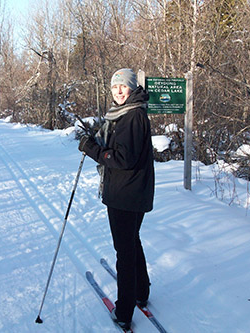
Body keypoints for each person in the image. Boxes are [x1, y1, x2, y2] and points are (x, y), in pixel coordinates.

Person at [78, 68, 155, 330]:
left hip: (125, 193)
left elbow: (122, 158)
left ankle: (124, 311)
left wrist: (92, 149)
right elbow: (119, 148)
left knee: (124, 251)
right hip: (133, 191)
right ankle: (141, 292)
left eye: (123, 87)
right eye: (114, 87)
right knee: (132, 242)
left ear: (132, 88)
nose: (119, 91)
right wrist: (97, 141)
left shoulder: (132, 117)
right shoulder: (128, 114)